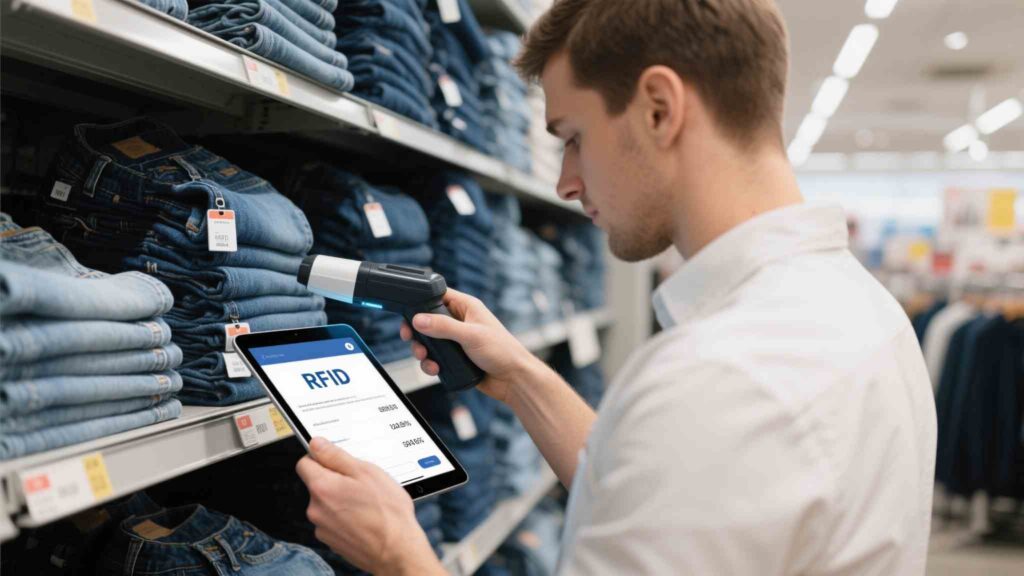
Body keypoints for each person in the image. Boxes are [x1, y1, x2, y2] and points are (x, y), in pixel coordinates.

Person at [294, 0, 938, 573]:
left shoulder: (720, 377)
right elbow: (667, 495)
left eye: (575, 138)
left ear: (659, 109)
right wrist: (522, 377)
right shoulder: (861, 308)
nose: (566, 183)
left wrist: (399, 556)